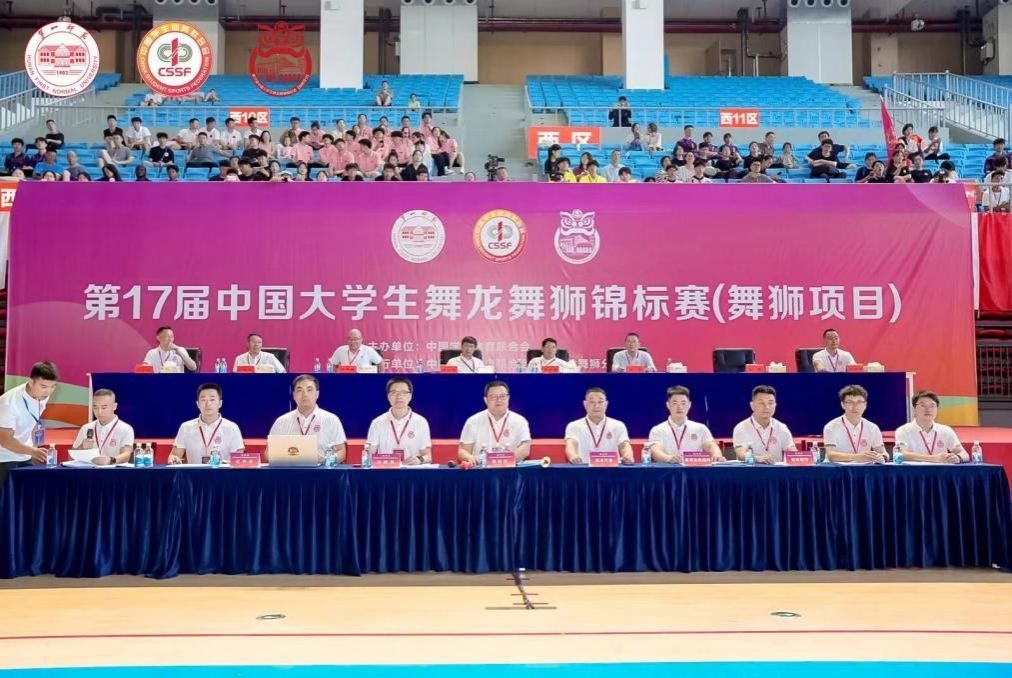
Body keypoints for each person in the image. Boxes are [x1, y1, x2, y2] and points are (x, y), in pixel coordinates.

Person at [268, 374, 347, 464]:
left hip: (322, 470)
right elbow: (268, 453)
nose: (305, 394)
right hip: (290, 470)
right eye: (299, 390)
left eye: (309, 390)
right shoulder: (281, 422)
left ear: (317, 394)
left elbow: (341, 451)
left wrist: (326, 460)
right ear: (294, 395)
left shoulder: (331, 420)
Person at [167, 383, 244, 465]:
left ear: (220, 403)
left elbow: (238, 460)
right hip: (193, 473)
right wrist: (173, 458)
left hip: (221, 472)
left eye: (212, 399)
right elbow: (175, 455)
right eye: (203, 400)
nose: (208, 404)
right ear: (198, 404)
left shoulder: (232, 428)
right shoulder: (186, 427)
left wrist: (225, 464)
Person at [0, 361, 59, 467]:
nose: (48, 391)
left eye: (53, 386)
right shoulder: (9, 403)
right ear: (31, 382)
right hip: (4, 458)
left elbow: (33, 419)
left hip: (25, 455)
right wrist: (32, 451)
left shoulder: (42, 395)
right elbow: (5, 440)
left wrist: (33, 448)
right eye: (44, 386)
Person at [458, 380, 532, 464]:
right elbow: (463, 451)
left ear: (508, 398)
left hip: (510, 469)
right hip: (481, 469)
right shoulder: (473, 421)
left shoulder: (520, 421)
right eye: (493, 396)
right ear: (485, 400)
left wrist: (503, 461)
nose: (498, 400)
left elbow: (525, 449)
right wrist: (469, 457)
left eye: (502, 396)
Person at [647, 386, 724, 464]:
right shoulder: (657, 430)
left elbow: (711, 445)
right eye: (675, 403)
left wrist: (716, 455)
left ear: (689, 405)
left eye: (683, 403)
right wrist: (668, 458)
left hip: (695, 470)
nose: (679, 407)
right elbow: (655, 451)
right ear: (668, 405)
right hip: (667, 469)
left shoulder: (700, 428)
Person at [365, 378, 432, 465]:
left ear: (410, 396)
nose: (399, 396)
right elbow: (369, 455)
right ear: (388, 397)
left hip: (412, 470)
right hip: (386, 470)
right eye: (394, 392)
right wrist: (367, 455)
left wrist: (420, 460)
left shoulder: (421, 422)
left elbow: (428, 456)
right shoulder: (377, 423)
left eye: (404, 392)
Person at [893, 390, 968, 464]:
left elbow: (964, 454)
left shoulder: (946, 430)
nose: (928, 409)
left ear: (937, 409)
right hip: (914, 471)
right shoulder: (903, 430)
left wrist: (958, 457)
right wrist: (934, 458)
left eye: (932, 405)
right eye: (922, 405)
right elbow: (901, 454)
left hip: (941, 471)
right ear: (914, 409)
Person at [564, 387, 634, 465]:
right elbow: (571, 445)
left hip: (612, 470)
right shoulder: (573, 426)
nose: (596, 406)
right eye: (592, 402)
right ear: (585, 404)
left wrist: (628, 455)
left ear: (606, 404)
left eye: (600, 402)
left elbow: (624, 445)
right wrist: (573, 456)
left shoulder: (618, 425)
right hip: (583, 470)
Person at [822, 384, 887, 464]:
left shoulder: (872, 428)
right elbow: (831, 455)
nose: (855, 406)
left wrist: (882, 456)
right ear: (842, 405)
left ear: (865, 405)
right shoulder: (831, 427)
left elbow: (884, 453)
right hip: (837, 469)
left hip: (863, 469)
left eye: (859, 402)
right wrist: (859, 457)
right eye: (850, 402)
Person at [732, 385, 797, 464]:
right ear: (752, 405)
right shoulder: (741, 427)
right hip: (750, 470)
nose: (767, 407)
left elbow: (792, 452)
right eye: (761, 403)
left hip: (776, 471)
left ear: (775, 405)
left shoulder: (781, 427)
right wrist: (757, 459)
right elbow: (740, 454)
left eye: (770, 403)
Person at [71, 389, 135, 465]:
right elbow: (71, 458)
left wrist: (110, 460)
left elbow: (126, 455)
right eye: (95, 407)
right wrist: (81, 447)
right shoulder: (86, 428)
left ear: (114, 406)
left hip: (114, 470)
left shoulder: (126, 429)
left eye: (104, 408)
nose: (99, 412)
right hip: (90, 470)